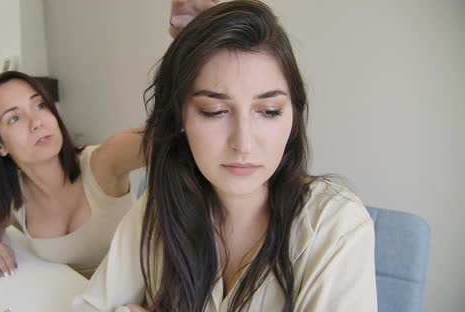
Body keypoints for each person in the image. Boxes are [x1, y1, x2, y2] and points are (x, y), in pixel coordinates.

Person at [71, 1, 377, 311]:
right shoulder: (157, 209)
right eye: (214, 112)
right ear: (179, 120)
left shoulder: (333, 226)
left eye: (269, 112)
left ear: (293, 117)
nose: (243, 144)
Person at [0, 71, 144, 278]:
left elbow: (168, 138)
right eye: (15, 118)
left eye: (40, 106)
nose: (36, 122)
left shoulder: (102, 162)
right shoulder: (16, 198)